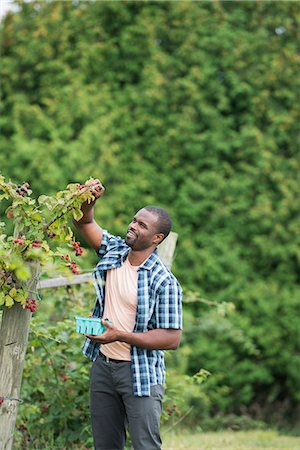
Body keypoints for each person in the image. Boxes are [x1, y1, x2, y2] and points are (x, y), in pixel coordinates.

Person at [73, 179, 182, 450]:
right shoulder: (116, 251)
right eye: (135, 220)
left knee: (145, 445)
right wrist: (89, 202)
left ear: (157, 238)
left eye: (142, 225)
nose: (133, 226)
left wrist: (119, 335)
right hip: (103, 367)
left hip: (140, 373)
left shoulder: (164, 281)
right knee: (106, 445)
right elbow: (84, 223)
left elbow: (171, 338)